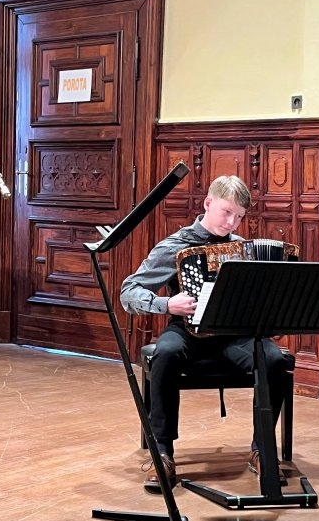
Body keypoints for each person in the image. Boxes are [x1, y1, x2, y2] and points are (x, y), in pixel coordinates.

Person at [120, 175, 291, 493]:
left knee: (274, 359)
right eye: (227, 212)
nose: (232, 222)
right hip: (186, 331)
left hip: (233, 336)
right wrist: (167, 303)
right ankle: (162, 453)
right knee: (166, 353)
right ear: (208, 203)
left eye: (239, 216)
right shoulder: (176, 246)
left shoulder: (243, 249)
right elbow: (128, 291)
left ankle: (262, 450)